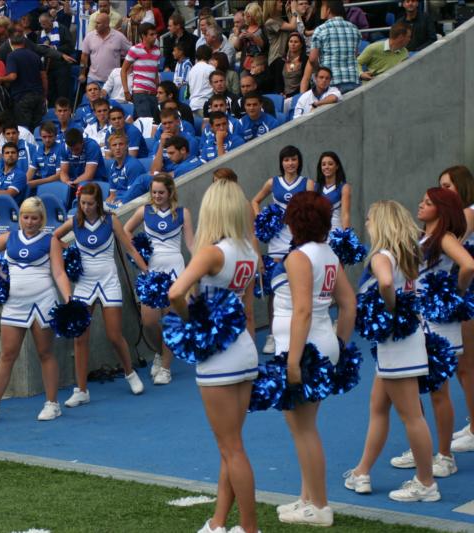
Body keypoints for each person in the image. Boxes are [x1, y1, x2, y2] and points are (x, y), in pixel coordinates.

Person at [168, 179, 259, 533]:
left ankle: (249, 528)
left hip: (219, 357)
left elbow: (176, 293)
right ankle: (219, 523)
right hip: (244, 352)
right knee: (231, 445)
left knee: (231, 448)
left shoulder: (212, 253)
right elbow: (248, 312)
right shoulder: (250, 251)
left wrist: (193, 319)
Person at [343, 201, 438, 502]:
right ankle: (362, 471)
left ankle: (426, 483)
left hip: (397, 343)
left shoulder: (382, 256)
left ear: (380, 223)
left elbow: (385, 283)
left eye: (369, 218)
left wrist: (390, 308)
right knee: (378, 407)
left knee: (412, 417)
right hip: (403, 341)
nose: (366, 223)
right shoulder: (408, 255)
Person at [273, 191, 356, 527]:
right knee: (303, 428)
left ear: (296, 220)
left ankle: (320, 506)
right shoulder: (329, 254)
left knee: (303, 430)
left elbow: (303, 310)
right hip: (323, 344)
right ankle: (307, 498)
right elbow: (348, 304)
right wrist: (340, 345)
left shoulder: (299, 257)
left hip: (305, 349)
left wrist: (293, 361)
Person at [390, 188, 474, 478]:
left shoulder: (445, 238)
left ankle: (446, 455)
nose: (420, 205)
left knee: (439, 392)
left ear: (441, 209)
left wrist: (455, 292)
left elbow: (469, 265)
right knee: (415, 390)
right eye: (422, 200)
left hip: (439, 323)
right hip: (420, 319)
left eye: (427, 203)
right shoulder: (423, 237)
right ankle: (422, 449)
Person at [0, 197, 72, 423]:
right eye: (25, 217)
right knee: (7, 354)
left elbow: (59, 273)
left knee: (45, 353)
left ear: (42, 220)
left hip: (43, 302)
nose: (29, 222)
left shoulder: (51, 241)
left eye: (34, 218)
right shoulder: (10, 237)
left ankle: (52, 403)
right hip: (14, 304)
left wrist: (69, 301)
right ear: (20, 217)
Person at [55, 183, 147, 407]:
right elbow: (54, 238)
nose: (86, 207)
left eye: (90, 203)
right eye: (82, 203)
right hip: (84, 283)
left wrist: (146, 271)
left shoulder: (111, 221)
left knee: (114, 335)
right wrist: (70, 252)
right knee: (80, 337)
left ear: (99, 202)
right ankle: (81, 390)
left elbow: (129, 248)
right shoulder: (74, 222)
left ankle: (130, 373)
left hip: (108, 281)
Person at [125, 176, 194, 385]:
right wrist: (137, 253)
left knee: (171, 320)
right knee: (149, 321)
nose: (157, 196)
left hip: (175, 270)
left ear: (170, 192)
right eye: (154, 192)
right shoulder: (144, 211)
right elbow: (126, 230)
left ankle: (165, 367)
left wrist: (199, 267)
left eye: (161, 192)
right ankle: (158, 352)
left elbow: (191, 243)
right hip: (151, 271)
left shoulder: (183, 213)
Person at [252, 146, 315, 354]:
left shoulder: (307, 183)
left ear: (299, 161)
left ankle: (304, 331)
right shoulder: (273, 182)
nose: (290, 163)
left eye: (294, 159)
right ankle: (273, 334)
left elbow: (314, 209)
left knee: (301, 285)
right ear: (282, 162)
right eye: (286, 160)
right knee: (276, 288)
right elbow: (255, 201)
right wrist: (263, 219)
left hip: (299, 239)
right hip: (277, 241)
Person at [438, 165, 474, 454]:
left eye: (448, 186)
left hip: (468, 296)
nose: (443, 191)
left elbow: (456, 250)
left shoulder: (467, 213)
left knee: (467, 367)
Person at [309, 0, 361, 94]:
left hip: (330, 83)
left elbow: (312, 59)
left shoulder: (320, 29)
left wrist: (319, 72)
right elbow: (356, 54)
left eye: (322, 7)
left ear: (328, 10)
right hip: (353, 80)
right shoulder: (354, 28)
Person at [0, 32, 46, 131]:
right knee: (37, 127)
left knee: (24, 128)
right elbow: (44, 77)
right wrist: (44, 95)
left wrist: (1, 79)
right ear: (24, 42)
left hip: (22, 97)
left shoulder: (12, 56)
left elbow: (13, 76)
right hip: (38, 95)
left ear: (11, 43)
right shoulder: (35, 56)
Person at [79, 12, 132, 86]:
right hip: (93, 79)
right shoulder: (89, 36)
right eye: (95, 22)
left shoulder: (119, 37)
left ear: (106, 24)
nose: (95, 25)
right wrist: (82, 74)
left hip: (113, 80)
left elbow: (132, 53)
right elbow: (84, 56)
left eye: (98, 23)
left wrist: (126, 70)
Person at [122, 23, 161, 119]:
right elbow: (123, 70)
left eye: (155, 34)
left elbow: (155, 73)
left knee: (142, 122)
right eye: (151, 34)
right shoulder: (134, 50)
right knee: (148, 122)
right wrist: (126, 91)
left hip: (152, 93)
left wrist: (158, 90)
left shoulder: (157, 51)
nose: (155, 37)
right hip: (140, 93)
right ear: (143, 36)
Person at [105, 131, 146, 206]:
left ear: (127, 146)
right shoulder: (112, 167)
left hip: (130, 205)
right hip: (117, 203)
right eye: (114, 145)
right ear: (110, 148)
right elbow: (112, 195)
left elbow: (132, 195)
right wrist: (105, 204)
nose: (117, 148)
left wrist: (117, 205)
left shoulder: (133, 165)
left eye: (121, 144)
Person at [316, 151, 351, 231]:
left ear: (337, 166)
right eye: (323, 164)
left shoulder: (344, 187)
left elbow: (345, 215)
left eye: (330, 164)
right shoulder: (315, 187)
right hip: (318, 234)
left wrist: (346, 237)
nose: (326, 167)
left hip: (335, 233)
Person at [27, 122, 64, 189]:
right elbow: (30, 172)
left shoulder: (61, 149)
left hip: (57, 185)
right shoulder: (38, 150)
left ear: (55, 136)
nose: (47, 140)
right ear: (40, 136)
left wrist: (37, 182)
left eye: (50, 136)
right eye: (44, 137)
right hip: (42, 185)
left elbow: (59, 176)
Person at [236, 2, 267, 75]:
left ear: (255, 15)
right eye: (246, 15)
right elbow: (237, 47)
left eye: (249, 16)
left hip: (259, 62)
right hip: (246, 61)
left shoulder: (262, 28)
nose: (247, 17)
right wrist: (239, 38)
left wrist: (253, 37)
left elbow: (264, 46)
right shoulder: (243, 28)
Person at [187, 46, 216, 119]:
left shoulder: (192, 70)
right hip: (205, 105)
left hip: (192, 105)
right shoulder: (211, 68)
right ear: (210, 55)